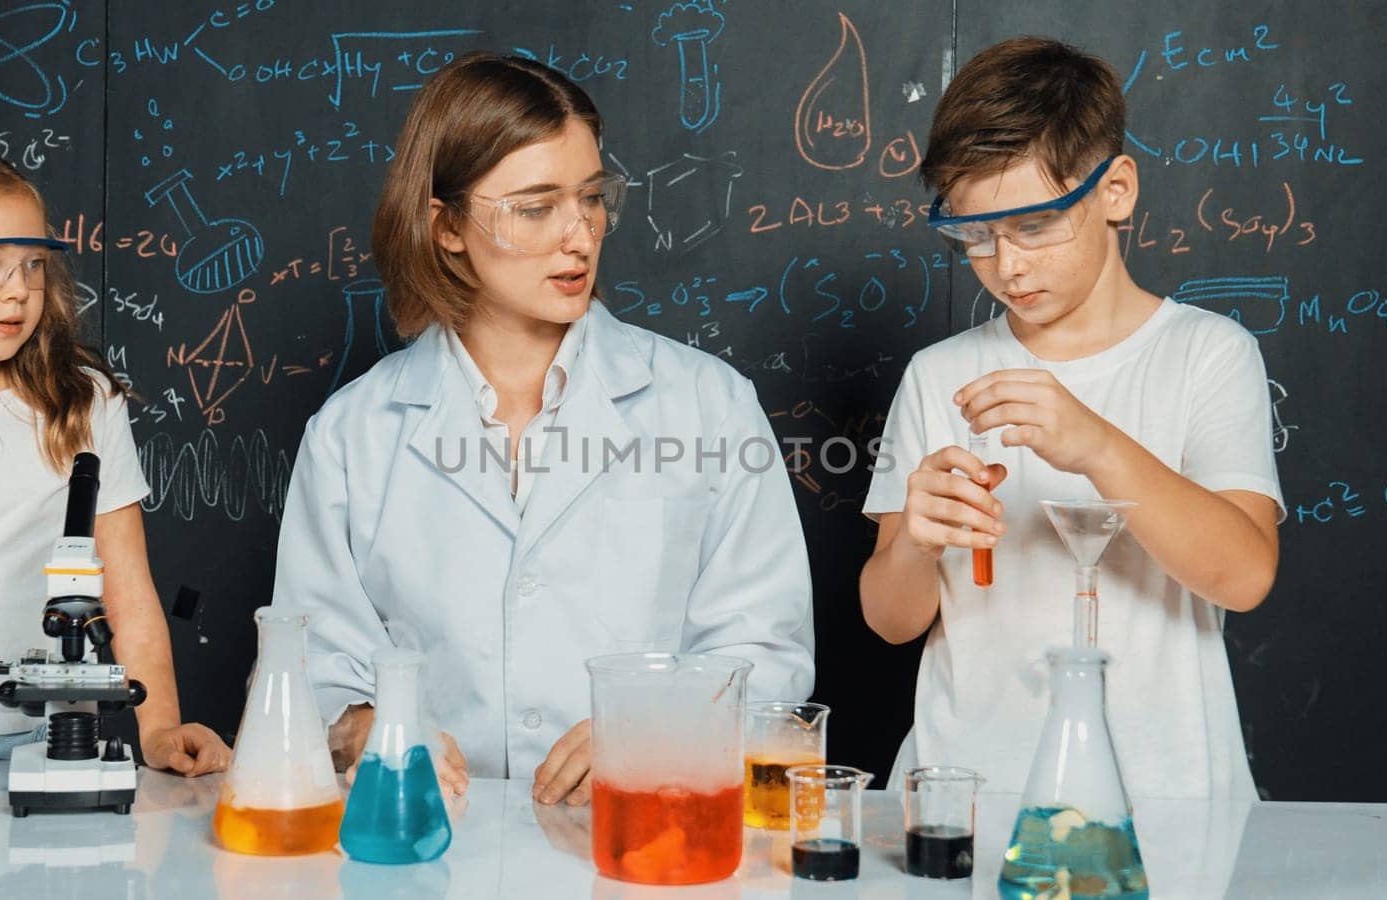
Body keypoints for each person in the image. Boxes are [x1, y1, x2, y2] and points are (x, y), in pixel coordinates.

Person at [272, 53, 815, 805]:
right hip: (432, 843)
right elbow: (313, 668)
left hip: (645, 835)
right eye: (535, 207)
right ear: (448, 226)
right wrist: (367, 728)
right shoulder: (352, 434)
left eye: (591, 198)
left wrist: (662, 722)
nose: (579, 236)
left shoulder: (707, 406)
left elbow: (769, 653)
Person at [859, 38, 1282, 800]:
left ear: (1115, 190)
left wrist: (1096, 443)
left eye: (1032, 227)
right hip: (967, 789)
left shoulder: (1207, 355)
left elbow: (1245, 575)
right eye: (974, 235)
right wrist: (918, 544)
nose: (1006, 265)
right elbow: (892, 620)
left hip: (1164, 788)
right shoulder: (941, 375)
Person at [0, 140, 230, 774]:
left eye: (33, 264)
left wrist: (159, 726)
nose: (17, 292)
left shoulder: (84, 404)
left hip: (52, 744)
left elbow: (127, 591)